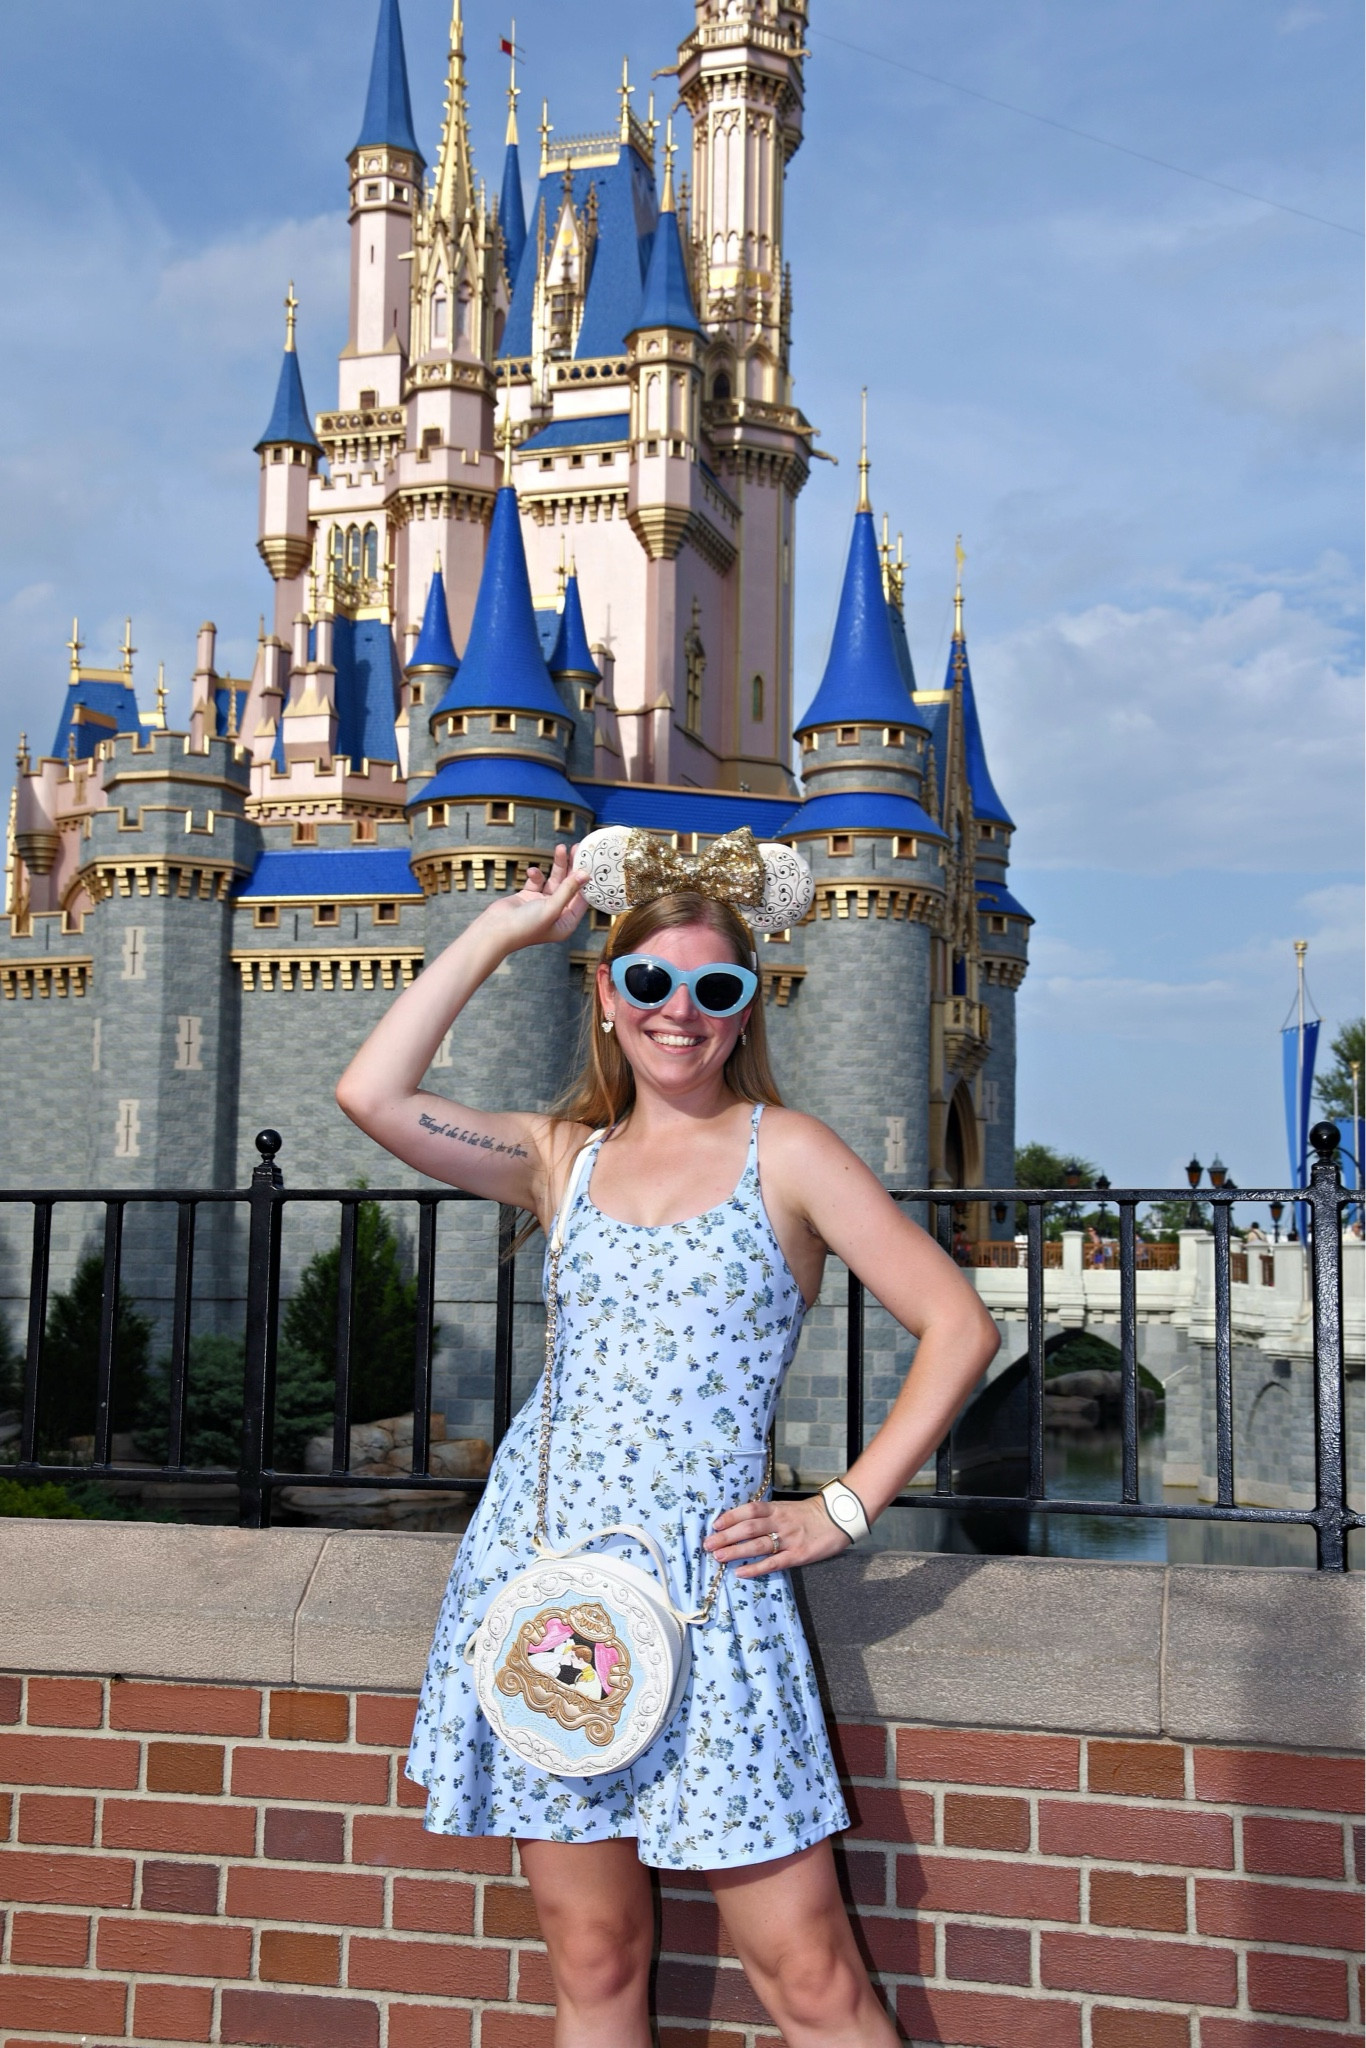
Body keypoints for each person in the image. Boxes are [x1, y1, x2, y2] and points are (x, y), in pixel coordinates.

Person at [336, 840, 999, 2048]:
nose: (677, 1012)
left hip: (710, 1595)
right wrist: (502, 931)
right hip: (551, 1593)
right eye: (647, 982)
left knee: (809, 1973)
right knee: (592, 1955)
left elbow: (959, 1324)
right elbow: (371, 1095)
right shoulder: (560, 1158)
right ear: (607, 993)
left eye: (714, 987)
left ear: (747, 1008)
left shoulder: (788, 1152)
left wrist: (844, 1506)